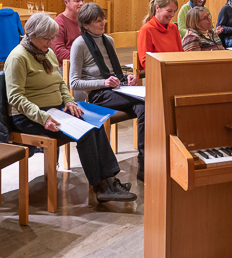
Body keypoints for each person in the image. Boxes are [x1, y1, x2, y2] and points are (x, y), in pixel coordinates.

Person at [4, 13, 136, 202]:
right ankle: (101, 186)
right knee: (85, 132)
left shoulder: (47, 52)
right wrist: (43, 117)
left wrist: (69, 101)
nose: (50, 43)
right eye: (46, 38)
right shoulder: (18, 57)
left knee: (95, 124)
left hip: (56, 109)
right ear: (31, 34)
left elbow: (61, 84)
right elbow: (15, 97)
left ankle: (109, 180)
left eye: (52, 38)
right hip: (28, 117)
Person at [69, 3, 146, 182]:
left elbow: (114, 72)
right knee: (143, 102)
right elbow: (74, 82)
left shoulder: (108, 40)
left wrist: (127, 79)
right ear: (86, 25)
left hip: (116, 90)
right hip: (97, 95)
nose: (102, 23)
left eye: (102, 19)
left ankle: (144, 161)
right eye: (97, 21)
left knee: (144, 108)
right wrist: (103, 82)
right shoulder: (79, 44)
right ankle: (142, 162)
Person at [137, 0, 183, 70]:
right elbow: (146, 62)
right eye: (169, 11)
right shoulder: (146, 30)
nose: (173, 15)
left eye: (174, 11)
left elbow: (181, 53)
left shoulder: (173, 28)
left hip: (175, 70)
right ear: (157, 8)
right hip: (159, 73)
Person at [51, 0, 85, 70]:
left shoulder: (85, 20)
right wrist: (82, 60)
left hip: (84, 62)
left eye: (82, 0)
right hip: (67, 66)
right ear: (66, 3)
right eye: (77, 1)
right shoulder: (58, 23)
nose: (81, 3)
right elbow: (59, 52)